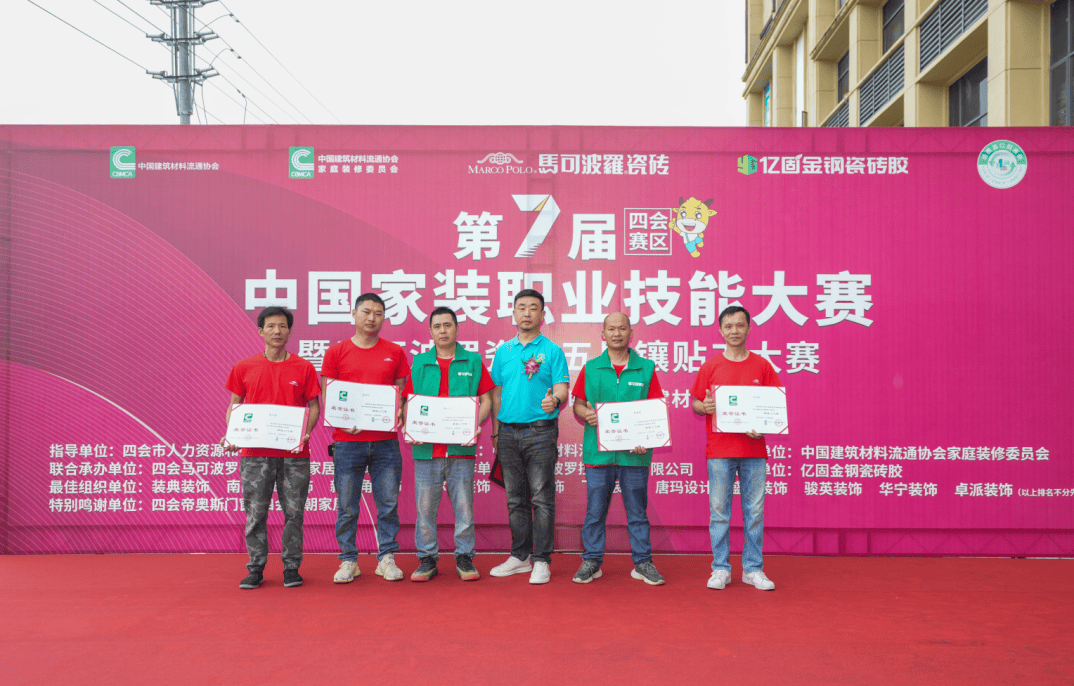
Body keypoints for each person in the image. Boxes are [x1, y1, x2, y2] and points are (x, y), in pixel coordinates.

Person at [222, 306, 321, 590]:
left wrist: (305, 432)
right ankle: (255, 568)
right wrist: (233, 434)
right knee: (256, 513)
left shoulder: (303, 367)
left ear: (289, 331)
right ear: (261, 331)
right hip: (255, 455)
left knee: (294, 513)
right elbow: (235, 406)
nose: (277, 331)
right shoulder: (244, 366)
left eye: (283, 326)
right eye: (271, 326)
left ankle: (291, 567)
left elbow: (314, 406)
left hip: (294, 455)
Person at [690, 305, 781, 591]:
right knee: (719, 512)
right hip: (720, 451)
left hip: (754, 451)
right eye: (729, 326)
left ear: (749, 328)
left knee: (754, 512)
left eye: (740, 325)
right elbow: (696, 403)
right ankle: (720, 568)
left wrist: (763, 426)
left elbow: (774, 407)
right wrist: (704, 406)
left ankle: (753, 569)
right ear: (721, 330)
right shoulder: (711, 366)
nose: (734, 331)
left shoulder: (762, 366)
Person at [571, 312, 666, 586]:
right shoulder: (591, 367)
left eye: (622, 328)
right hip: (598, 453)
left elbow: (655, 410)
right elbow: (578, 405)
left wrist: (647, 437)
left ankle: (643, 562)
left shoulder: (646, 368)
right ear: (603, 334)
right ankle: (592, 561)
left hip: (634, 455)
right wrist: (586, 414)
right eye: (611, 329)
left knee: (637, 512)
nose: (616, 333)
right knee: (595, 511)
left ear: (630, 333)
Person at [321, 293, 410, 584]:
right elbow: (328, 396)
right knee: (347, 506)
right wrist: (342, 420)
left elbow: (401, 394)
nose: (372, 318)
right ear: (354, 314)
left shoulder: (394, 352)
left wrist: (400, 412)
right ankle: (348, 560)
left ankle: (386, 558)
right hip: (348, 442)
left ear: (384, 317)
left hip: (386, 442)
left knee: (388, 503)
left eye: (378, 313)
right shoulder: (336, 352)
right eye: (366, 312)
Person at [402, 307, 494, 582]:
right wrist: (410, 426)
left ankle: (464, 557)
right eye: (437, 326)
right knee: (425, 509)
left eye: (448, 325)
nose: (443, 330)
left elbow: (487, 400)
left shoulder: (473, 361)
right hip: (426, 449)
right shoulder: (420, 362)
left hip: (460, 448)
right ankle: (427, 558)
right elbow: (409, 401)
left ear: (456, 328)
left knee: (464, 507)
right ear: (431, 331)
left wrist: (475, 423)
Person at [489, 289, 570, 584]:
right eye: (521, 307)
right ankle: (520, 556)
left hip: (540, 432)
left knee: (541, 498)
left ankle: (541, 560)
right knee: (515, 499)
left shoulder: (552, 350)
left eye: (533, 307)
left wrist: (555, 401)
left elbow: (562, 387)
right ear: (513, 313)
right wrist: (496, 432)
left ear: (542, 314)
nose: (526, 313)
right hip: (507, 433)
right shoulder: (503, 351)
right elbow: (496, 394)